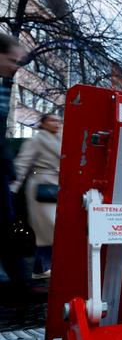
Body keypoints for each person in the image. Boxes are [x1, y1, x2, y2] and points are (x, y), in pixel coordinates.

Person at [11, 113, 62, 278]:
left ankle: (41, 267)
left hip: (58, 186)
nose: (56, 123)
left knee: (51, 229)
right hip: (41, 186)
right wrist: (13, 187)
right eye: (52, 120)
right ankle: (41, 268)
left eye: (58, 120)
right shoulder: (36, 140)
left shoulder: (62, 139)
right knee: (50, 228)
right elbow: (22, 163)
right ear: (43, 123)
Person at [0, 33, 28, 285]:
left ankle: (21, 281)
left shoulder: (3, 84)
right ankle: (21, 281)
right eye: (12, 59)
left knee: (6, 227)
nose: (15, 66)